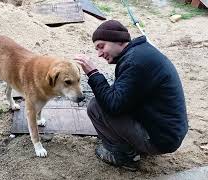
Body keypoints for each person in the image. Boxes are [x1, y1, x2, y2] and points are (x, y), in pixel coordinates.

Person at [74, 20, 188, 171]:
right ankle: (137, 145)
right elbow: (121, 96)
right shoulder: (140, 53)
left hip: (161, 139)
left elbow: (113, 105)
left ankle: (124, 155)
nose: (99, 53)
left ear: (118, 41)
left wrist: (93, 73)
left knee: (95, 107)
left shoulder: (135, 63)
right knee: (108, 99)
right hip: (169, 132)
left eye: (101, 46)